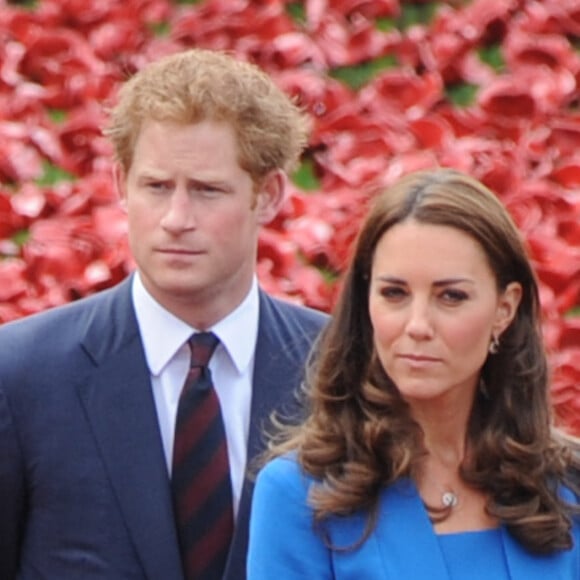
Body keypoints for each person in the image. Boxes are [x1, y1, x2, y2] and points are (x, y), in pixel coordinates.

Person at [0, 48, 328, 579]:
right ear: (120, 184)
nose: (176, 219)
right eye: (156, 187)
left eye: (206, 190)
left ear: (267, 195)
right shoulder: (21, 376)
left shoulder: (340, 369)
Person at [247, 168, 580, 579]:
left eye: (451, 296)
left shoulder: (568, 487)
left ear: (505, 309)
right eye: (395, 294)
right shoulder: (298, 494)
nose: (417, 325)